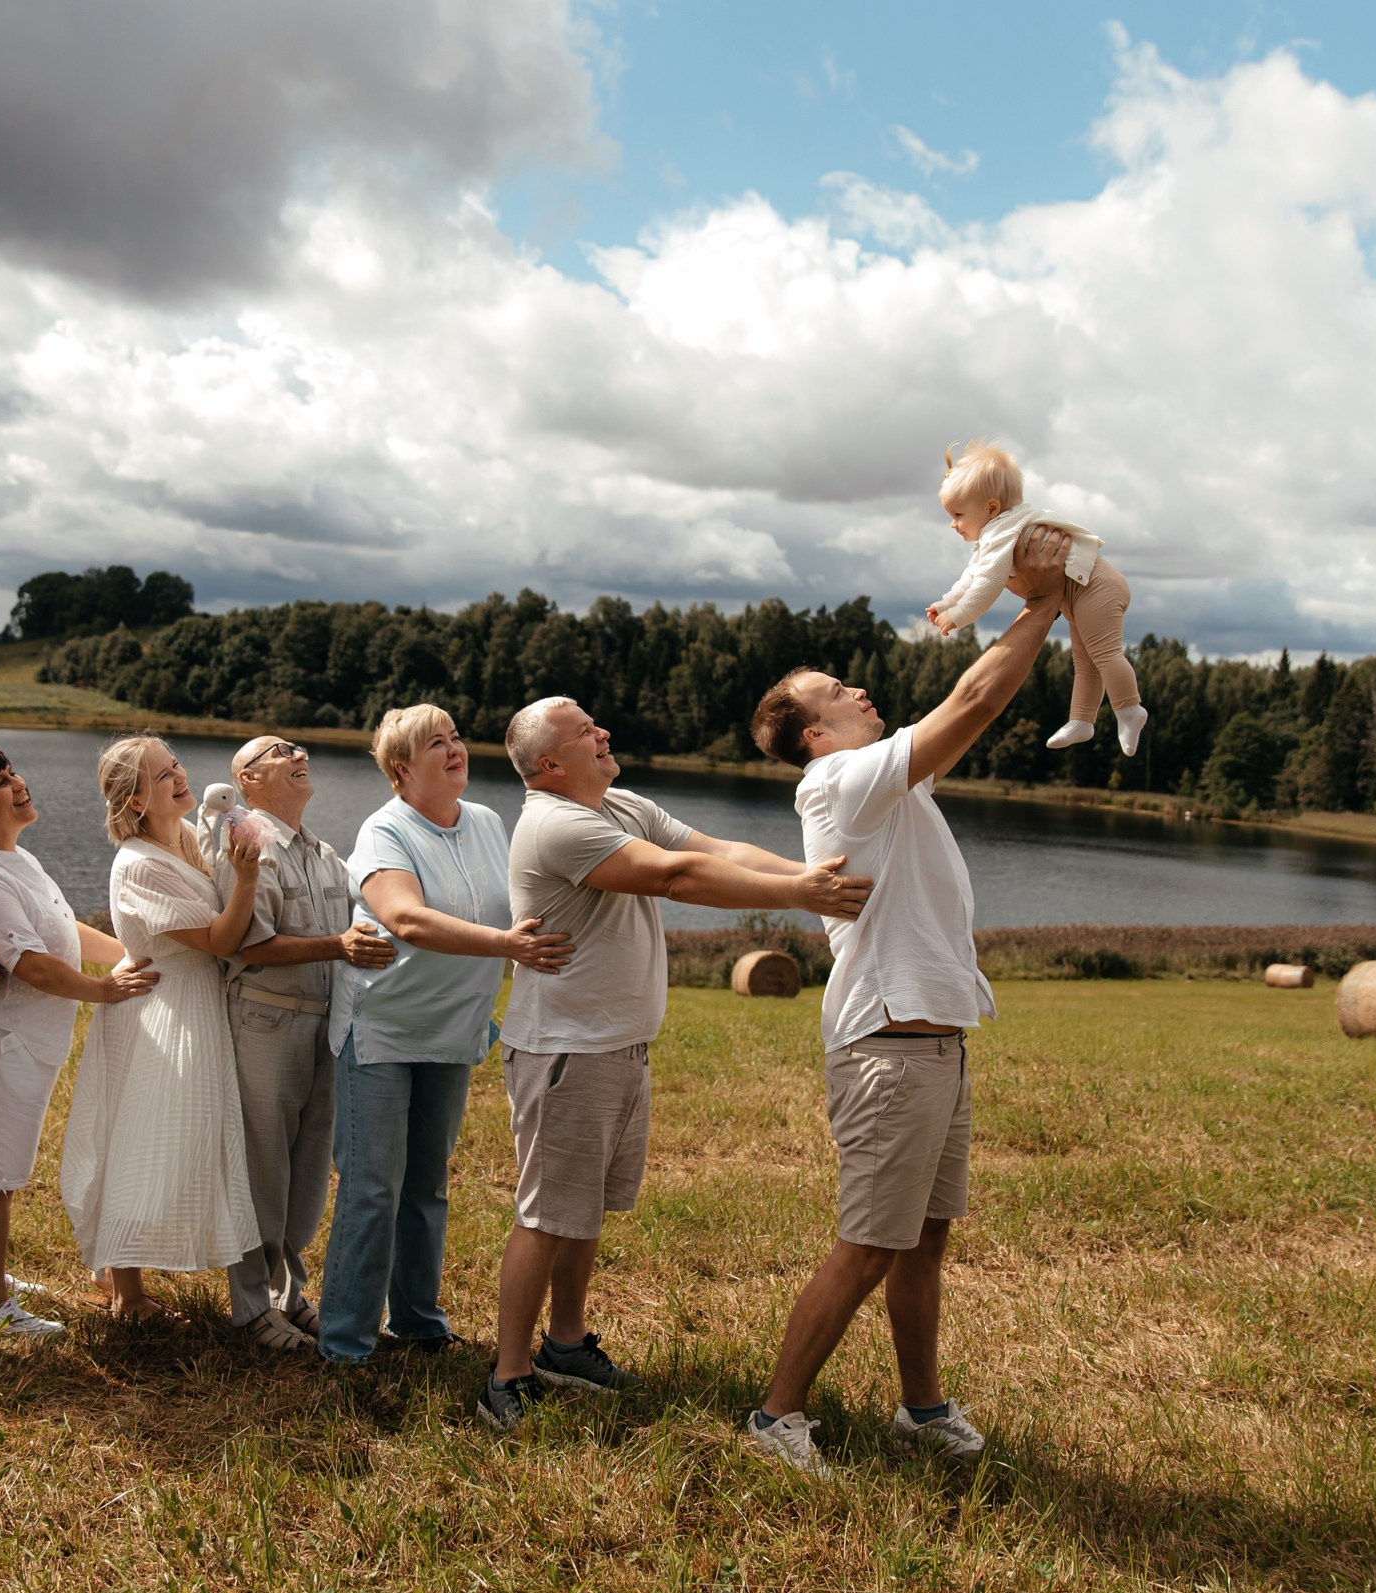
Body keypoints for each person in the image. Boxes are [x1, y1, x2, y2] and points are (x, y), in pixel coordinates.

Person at [737, 537, 1072, 1477]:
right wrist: (1043, 604)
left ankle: (920, 1407)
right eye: (836, 689)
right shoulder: (840, 782)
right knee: (868, 1245)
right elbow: (974, 699)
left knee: (923, 1238)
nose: (856, 690)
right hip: (889, 1047)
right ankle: (774, 1416)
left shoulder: (893, 782)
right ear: (812, 732)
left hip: (934, 1044)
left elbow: (964, 720)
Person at [477, 698, 875, 1435]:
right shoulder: (559, 823)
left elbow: (718, 849)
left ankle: (564, 1345)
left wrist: (812, 875)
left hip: (613, 1045)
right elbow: (674, 877)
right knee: (545, 1215)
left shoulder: (616, 801)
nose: (604, 731)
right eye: (585, 731)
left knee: (582, 1209)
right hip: (568, 1049)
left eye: (598, 722)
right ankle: (506, 1374)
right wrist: (799, 892)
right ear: (549, 765)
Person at [315, 704, 570, 1366]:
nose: (455, 748)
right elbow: (405, 917)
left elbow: (523, 899)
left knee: (426, 1182)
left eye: (455, 736)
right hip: (382, 1029)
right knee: (373, 1187)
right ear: (402, 768)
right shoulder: (383, 832)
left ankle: (419, 1321)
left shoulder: (486, 821)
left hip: (453, 1029)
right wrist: (508, 945)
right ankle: (345, 1343)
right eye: (437, 741)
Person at [0, 743, 160, 1340]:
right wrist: (104, 991)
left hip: (26, 1045)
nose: (19, 784)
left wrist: (136, 955)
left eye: (14, 772)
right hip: (6, 1047)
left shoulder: (15, 860)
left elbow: (64, 929)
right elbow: (32, 965)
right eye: (2, 782)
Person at [61, 737, 263, 1320]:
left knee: (186, 1137)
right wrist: (247, 879)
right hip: (162, 1007)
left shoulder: (186, 840)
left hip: (195, 1000)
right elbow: (221, 939)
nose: (178, 775)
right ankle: (126, 1289)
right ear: (133, 800)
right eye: (162, 774)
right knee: (142, 1139)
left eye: (176, 764)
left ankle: (136, 1272)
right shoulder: (138, 864)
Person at [207, 735, 395, 1353]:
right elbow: (247, 946)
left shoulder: (324, 853)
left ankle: (289, 1294)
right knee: (264, 1165)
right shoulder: (246, 847)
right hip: (265, 1020)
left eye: (298, 748)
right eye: (278, 751)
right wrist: (338, 946)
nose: (297, 753)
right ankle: (252, 1307)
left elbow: (355, 930)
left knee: (309, 1170)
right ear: (248, 779)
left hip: (324, 1024)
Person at [926, 439, 1148, 755]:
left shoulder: (1003, 530)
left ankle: (1130, 708)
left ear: (991, 508)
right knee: (1084, 662)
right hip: (1077, 593)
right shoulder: (997, 531)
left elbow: (987, 584)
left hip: (1098, 587)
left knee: (1105, 655)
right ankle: (1082, 721)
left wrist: (959, 616)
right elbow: (972, 575)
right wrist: (946, 602)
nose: (953, 524)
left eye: (958, 514)